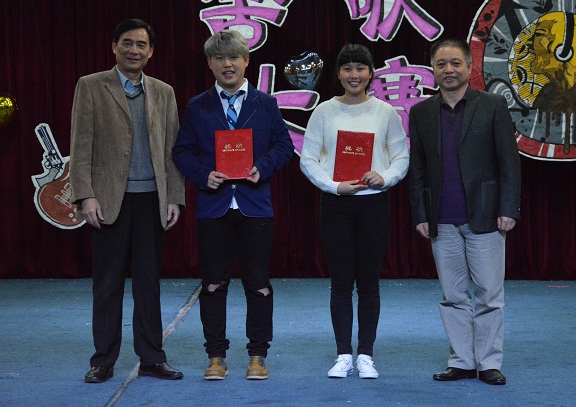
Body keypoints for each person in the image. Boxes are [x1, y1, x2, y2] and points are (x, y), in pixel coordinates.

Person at [172, 30, 294, 381]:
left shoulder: (265, 104)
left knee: (258, 283)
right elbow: (181, 151)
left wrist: (262, 167)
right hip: (214, 208)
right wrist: (203, 175)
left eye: (234, 57)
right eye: (220, 58)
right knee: (212, 284)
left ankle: (258, 355)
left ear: (246, 61)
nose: (228, 64)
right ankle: (216, 356)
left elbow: (284, 147)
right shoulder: (198, 105)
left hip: (255, 207)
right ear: (210, 64)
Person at [70, 19, 186, 383]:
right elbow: (80, 145)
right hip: (108, 202)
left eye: (141, 45)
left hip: (152, 200)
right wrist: (85, 195)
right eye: (127, 43)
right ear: (114, 46)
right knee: (107, 285)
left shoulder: (164, 91)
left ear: (151, 52)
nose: (134, 50)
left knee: (148, 284)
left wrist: (174, 197)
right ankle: (103, 360)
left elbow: (172, 149)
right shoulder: (91, 85)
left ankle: (152, 358)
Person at [408, 38, 521, 386]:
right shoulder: (421, 112)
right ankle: (461, 361)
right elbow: (417, 169)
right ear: (432, 69)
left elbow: (509, 163)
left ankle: (488, 363)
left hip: (486, 217)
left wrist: (508, 208)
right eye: (441, 64)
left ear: (470, 67)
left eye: (456, 63)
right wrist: (420, 213)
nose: (449, 70)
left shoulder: (493, 105)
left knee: (489, 296)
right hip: (441, 219)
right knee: (453, 296)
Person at [300, 44, 409, 379]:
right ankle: (343, 354)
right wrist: (334, 186)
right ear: (338, 74)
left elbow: (401, 157)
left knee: (369, 283)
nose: (354, 75)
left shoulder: (385, 112)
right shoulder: (324, 112)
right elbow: (308, 159)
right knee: (341, 283)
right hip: (336, 205)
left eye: (360, 68)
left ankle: (366, 355)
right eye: (347, 68)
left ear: (371, 73)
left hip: (374, 205)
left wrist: (384, 177)